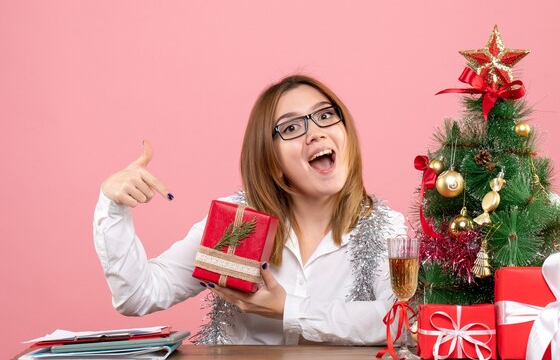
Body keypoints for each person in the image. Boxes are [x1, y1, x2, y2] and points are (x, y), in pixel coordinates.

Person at [93, 74, 407, 345]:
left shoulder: (386, 228)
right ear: (272, 162)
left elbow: (400, 320)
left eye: (325, 116)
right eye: (292, 127)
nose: (316, 132)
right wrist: (114, 205)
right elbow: (139, 295)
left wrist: (289, 308)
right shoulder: (235, 221)